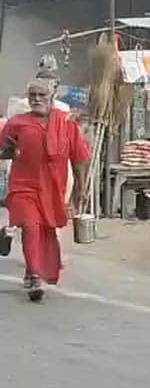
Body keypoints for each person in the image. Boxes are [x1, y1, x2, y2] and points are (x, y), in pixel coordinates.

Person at [0, 79, 91, 301]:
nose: (37, 99)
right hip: (23, 185)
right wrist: (10, 152)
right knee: (31, 227)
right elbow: (2, 150)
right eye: (33, 95)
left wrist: (81, 188)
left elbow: (79, 159)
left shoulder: (67, 123)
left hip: (52, 188)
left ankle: (22, 253)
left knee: (44, 231)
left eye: (42, 95)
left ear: (52, 97)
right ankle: (34, 276)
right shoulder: (17, 123)